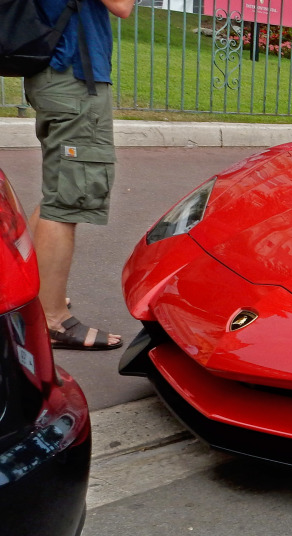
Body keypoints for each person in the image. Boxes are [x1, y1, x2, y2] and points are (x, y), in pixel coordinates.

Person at [27, 0, 134, 350]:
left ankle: (28, 292)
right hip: (73, 77)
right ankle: (51, 319)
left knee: (59, 191)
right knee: (67, 201)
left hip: (55, 75)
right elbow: (122, 5)